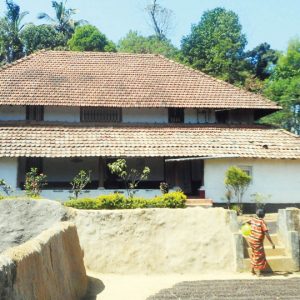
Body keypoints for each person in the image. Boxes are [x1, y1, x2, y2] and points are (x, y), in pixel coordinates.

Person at [246, 208, 275, 276]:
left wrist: (249, 227)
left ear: (256, 214)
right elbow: (266, 233)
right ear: (264, 215)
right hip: (257, 242)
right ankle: (258, 272)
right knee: (259, 256)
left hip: (251, 240)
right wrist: (272, 243)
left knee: (254, 254)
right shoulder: (262, 222)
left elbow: (245, 222)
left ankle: (252, 270)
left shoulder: (253, 220)